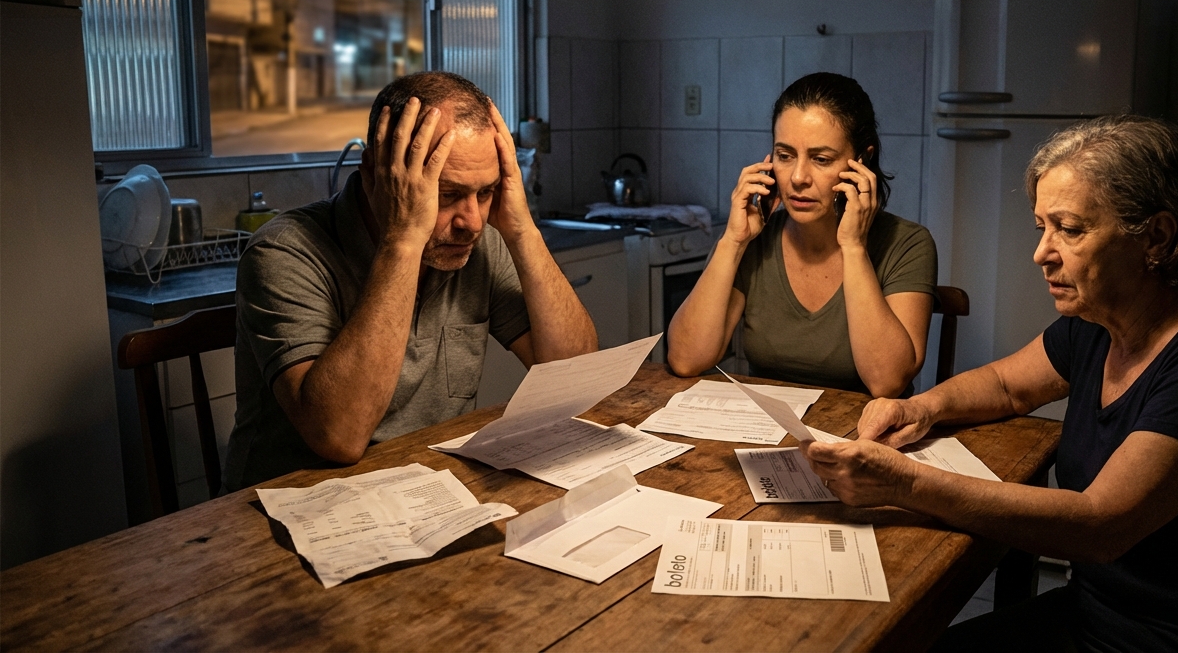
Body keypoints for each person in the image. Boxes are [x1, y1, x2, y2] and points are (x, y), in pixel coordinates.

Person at [801, 116, 1178, 652]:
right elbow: (1008, 385)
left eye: (1070, 229)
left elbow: (1101, 526)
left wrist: (904, 484)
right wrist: (923, 409)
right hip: (1100, 616)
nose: (1042, 253)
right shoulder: (1099, 323)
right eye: (1041, 227)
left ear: (1157, 237)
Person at [225, 72, 597, 490]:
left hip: (427, 487)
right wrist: (403, 242)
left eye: (486, 192)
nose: (472, 222)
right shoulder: (282, 251)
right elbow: (339, 438)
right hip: (291, 510)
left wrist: (521, 228)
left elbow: (575, 376)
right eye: (447, 193)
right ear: (375, 173)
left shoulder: (478, 240)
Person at [667, 72, 936, 398]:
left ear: (862, 160)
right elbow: (685, 360)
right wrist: (733, 242)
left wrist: (853, 247)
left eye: (821, 159)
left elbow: (887, 382)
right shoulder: (755, 241)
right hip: (768, 434)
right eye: (784, 155)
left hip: (863, 435)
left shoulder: (908, 244)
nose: (797, 177)